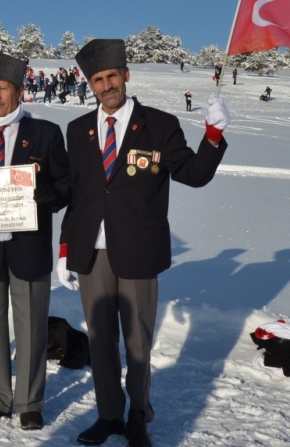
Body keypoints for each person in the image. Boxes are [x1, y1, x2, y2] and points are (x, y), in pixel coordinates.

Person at [58, 40, 230, 447]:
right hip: (91, 252)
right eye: (97, 80)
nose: (106, 86)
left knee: (137, 341)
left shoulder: (159, 124)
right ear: (90, 84)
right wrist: (66, 248)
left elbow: (193, 173)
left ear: (126, 75)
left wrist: (213, 135)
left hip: (138, 249)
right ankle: (109, 415)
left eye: (111, 76)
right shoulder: (77, 129)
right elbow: (79, 194)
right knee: (100, 340)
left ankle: (138, 416)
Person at [0, 54, 70, 431]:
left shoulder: (46, 133)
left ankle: (29, 401)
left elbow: (68, 184)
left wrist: (51, 195)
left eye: (2, 88)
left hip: (29, 247)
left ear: (19, 92)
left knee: (32, 329)